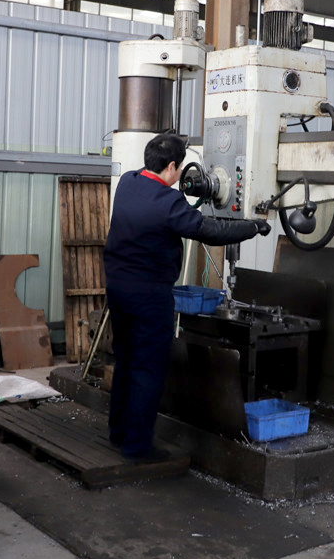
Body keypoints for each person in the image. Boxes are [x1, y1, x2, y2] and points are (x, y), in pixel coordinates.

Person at [102, 133, 268, 462]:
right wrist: (253, 227)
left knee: (126, 360)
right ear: (172, 166)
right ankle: (137, 447)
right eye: (180, 168)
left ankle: (118, 432)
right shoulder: (168, 203)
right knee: (148, 369)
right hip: (149, 296)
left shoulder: (128, 183)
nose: (181, 175)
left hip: (118, 289)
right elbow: (211, 231)